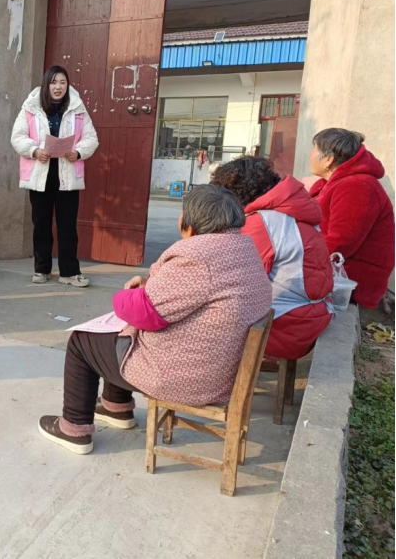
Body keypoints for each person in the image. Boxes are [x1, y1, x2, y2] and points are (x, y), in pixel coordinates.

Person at [37, 186, 272, 454]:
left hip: (187, 379)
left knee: (83, 341)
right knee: (121, 330)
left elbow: (144, 313)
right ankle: (116, 407)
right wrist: (149, 286)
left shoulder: (197, 256)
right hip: (220, 372)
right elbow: (192, 294)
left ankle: (74, 429)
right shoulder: (243, 249)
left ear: (189, 223)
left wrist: (127, 295)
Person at [211, 157, 333, 370]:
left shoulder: (262, 222)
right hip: (310, 317)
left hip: (287, 327)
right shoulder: (291, 213)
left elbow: (228, 282)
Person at [11, 66, 99, 287]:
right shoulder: (31, 107)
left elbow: (91, 138)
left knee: (67, 226)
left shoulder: (77, 108)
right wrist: (34, 151)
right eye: (53, 82)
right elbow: (17, 136)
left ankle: (69, 272)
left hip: (67, 175)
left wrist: (78, 152)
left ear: (67, 85)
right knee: (41, 225)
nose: (58, 87)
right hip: (40, 175)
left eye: (62, 82)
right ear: (46, 84)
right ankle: (42, 269)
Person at [309, 129, 395, 309]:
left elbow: (341, 242)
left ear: (328, 159)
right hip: (330, 271)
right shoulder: (337, 182)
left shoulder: (356, 186)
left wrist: (298, 258)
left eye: (314, 150)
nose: (310, 156)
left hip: (350, 282)